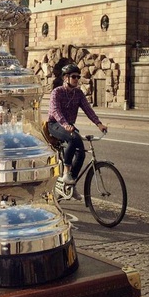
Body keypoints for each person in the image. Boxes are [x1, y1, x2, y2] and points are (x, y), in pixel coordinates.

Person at [47, 63, 107, 199]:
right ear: (66, 78)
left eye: (78, 77)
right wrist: (65, 124)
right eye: (74, 77)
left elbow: (88, 109)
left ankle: (70, 185)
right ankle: (66, 173)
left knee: (81, 153)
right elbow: (56, 111)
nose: (76, 79)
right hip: (55, 124)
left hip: (69, 126)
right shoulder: (57, 92)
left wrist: (99, 123)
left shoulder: (78, 93)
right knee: (74, 138)